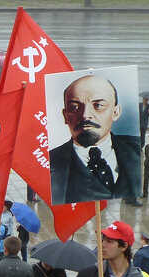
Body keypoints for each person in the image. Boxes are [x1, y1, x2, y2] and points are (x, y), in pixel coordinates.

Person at [49, 74, 142, 205]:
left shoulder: (136, 152)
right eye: (75, 107)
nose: (85, 115)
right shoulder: (50, 164)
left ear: (116, 112)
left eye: (98, 105)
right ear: (65, 115)